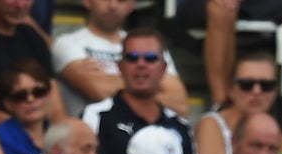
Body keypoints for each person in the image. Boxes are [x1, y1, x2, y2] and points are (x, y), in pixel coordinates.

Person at [81, 26, 194, 154]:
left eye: (150, 58)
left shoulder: (180, 126)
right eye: (132, 57)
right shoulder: (97, 115)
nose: (141, 64)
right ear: (120, 66)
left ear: (163, 68)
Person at [53, 0, 187, 118]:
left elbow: (180, 102)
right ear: (88, 1)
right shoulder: (67, 44)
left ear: (131, 5)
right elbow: (99, 89)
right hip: (94, 137)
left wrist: (108, 77)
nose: (113, 5)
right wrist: (149, 80)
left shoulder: (148, 45)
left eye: (121, 0)